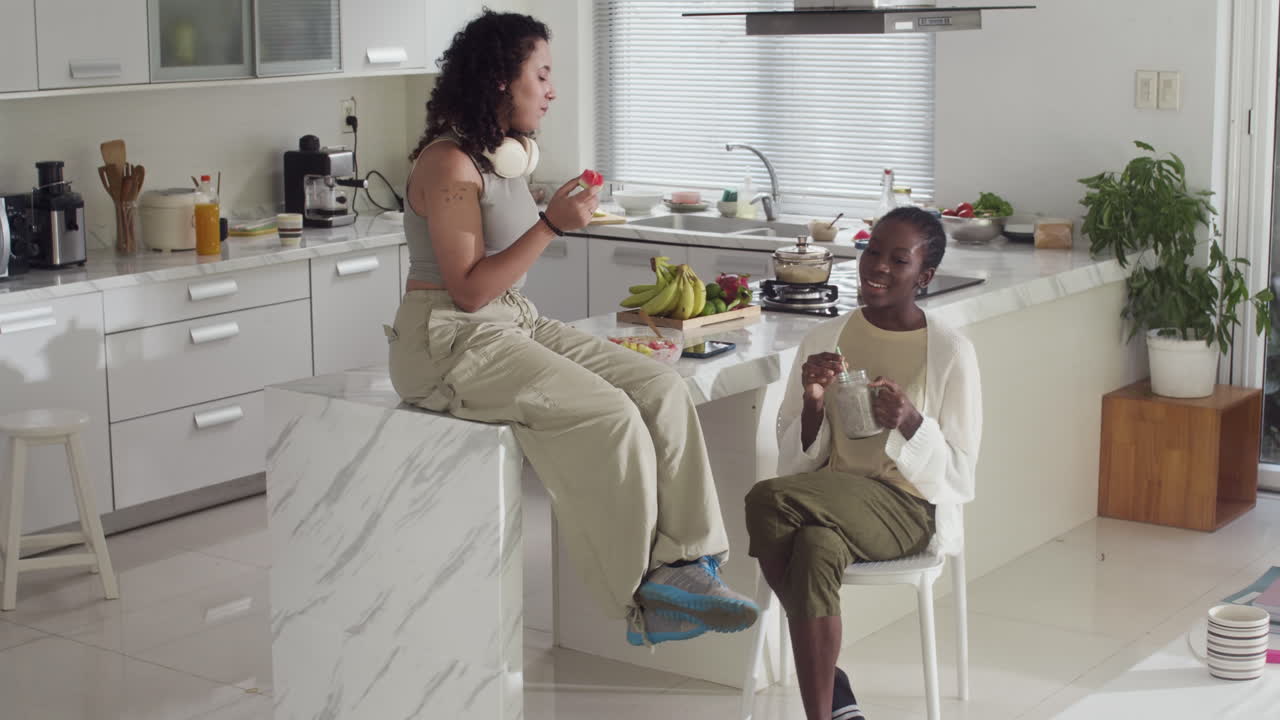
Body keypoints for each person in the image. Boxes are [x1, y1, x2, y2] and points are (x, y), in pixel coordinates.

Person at [386, 10, 758, 646]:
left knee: (663, 391)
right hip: (451, 339)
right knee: (609, 415)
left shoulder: (501, 157)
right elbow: (471, 290)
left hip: (516, 322)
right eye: (544, 74)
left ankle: (689, 566)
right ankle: (642, 597)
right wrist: (552, 225)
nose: (553, 89)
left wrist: (551, 214)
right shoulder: (448, 165)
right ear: (504, 79)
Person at [744, 207, 982, 720]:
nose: (877, 266)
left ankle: (830, 679)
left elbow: (961, 475)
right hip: (829, 499)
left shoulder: (949, 352)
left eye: (898, 259)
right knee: (812, 547)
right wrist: (811, 399)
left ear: (925, 275)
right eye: (873, 251)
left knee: (765, 499)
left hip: (907, 510)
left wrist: (912, 421)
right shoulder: (823, 340)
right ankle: (834, 708)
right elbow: (794, 456)